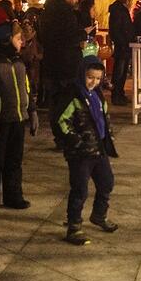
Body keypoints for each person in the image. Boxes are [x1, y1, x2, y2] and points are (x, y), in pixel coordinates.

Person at [55, 56, 119, 245]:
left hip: (98, 149)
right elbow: (62, 121)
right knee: (80, 189)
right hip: (80, 153)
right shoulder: (73, 96)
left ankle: (99, 215)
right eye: (90, 77)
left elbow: (104, 117)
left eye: (98, 78)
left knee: (107, 182)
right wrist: (77, 141)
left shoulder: (97, 95)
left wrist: (109, 136)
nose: (94, 82)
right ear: (82, 74)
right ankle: (74, 226)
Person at [0, 22, 37, 215]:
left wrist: (32, 111)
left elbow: (26, 88)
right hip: (0, 120)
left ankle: (14, 196)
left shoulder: (18, 61)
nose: (22, 43)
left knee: (14, 160)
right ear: (6, 40)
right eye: (19, 39)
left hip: (18, 117)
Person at [38, 0, 87, 116]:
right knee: (65, 96)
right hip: (65, 62)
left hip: (51, 59)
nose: (77, 0)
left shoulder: (47, 11)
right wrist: (83, 33)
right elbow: (68, 37)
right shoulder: (66, 14)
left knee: (55, 94)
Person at [107, 0, 134, 106]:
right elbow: (117, 29)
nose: (132, 4)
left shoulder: (120, 11)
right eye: (131, 1)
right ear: (127, 1)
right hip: (122, 45)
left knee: (122, 72)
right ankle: (116, 95)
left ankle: (120, 93)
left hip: (124, 44)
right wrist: (123, 42)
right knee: (119, 71)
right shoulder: (119, 11)